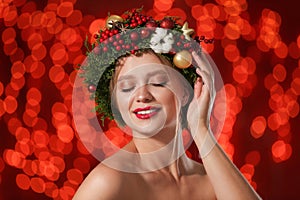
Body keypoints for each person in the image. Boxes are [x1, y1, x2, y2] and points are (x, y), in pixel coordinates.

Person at [73, 8, 262, 200]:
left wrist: (201, 129)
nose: (142, 96)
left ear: (186, 93)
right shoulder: (109, 181)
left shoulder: (213, 180)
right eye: (127, 87)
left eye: (157, 82)